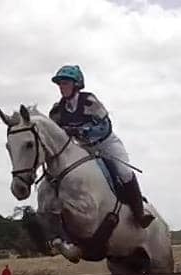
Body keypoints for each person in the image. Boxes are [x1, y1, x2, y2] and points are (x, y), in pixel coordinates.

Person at [48, 65, 154, 228]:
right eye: (60, 84)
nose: (62, 87)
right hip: (83, 148)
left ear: (76, 84)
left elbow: (105, 127)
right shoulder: (57, 110)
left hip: (106, 144)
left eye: (66, 83)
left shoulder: (89, 101)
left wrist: (79, 130)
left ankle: (140, 212)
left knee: (124, 172)